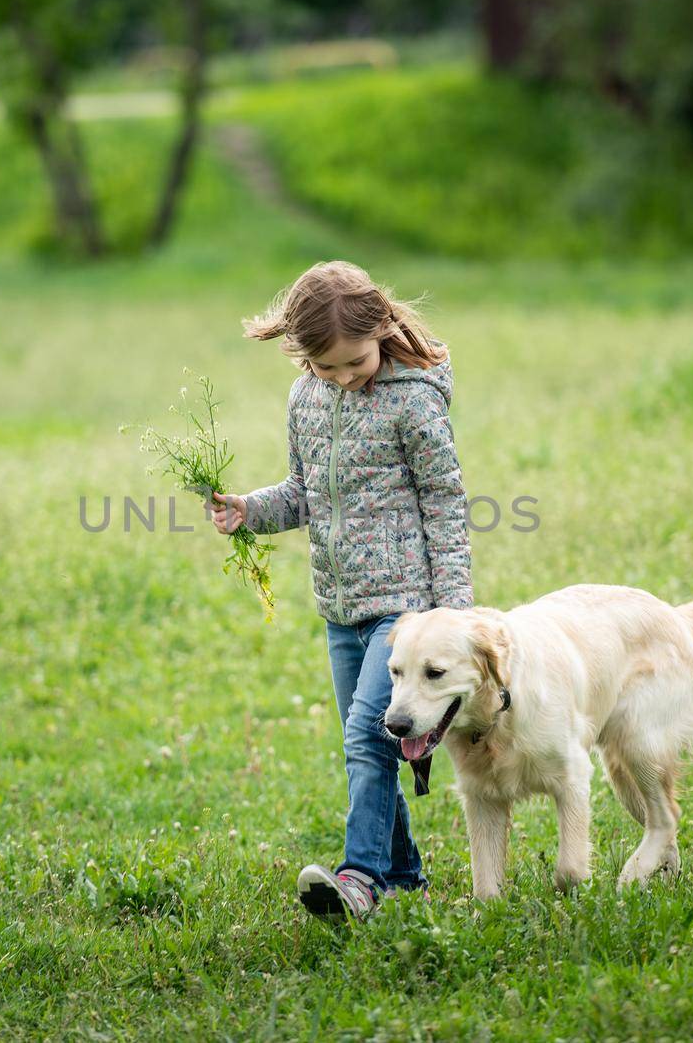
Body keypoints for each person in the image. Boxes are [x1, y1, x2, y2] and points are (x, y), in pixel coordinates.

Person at [207, 260, 473, 920]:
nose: (345, 378)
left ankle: (358, 878)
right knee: (371, 739)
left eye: (355, 362)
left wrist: (451, 614)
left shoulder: (413, 400)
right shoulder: (306, 398)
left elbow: (445, 502)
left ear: (382, 326)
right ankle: (405, 880)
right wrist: (249, 510)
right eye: (327, 368)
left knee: (365, 736)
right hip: (340, 609)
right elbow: (302, 494)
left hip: (405, 608)